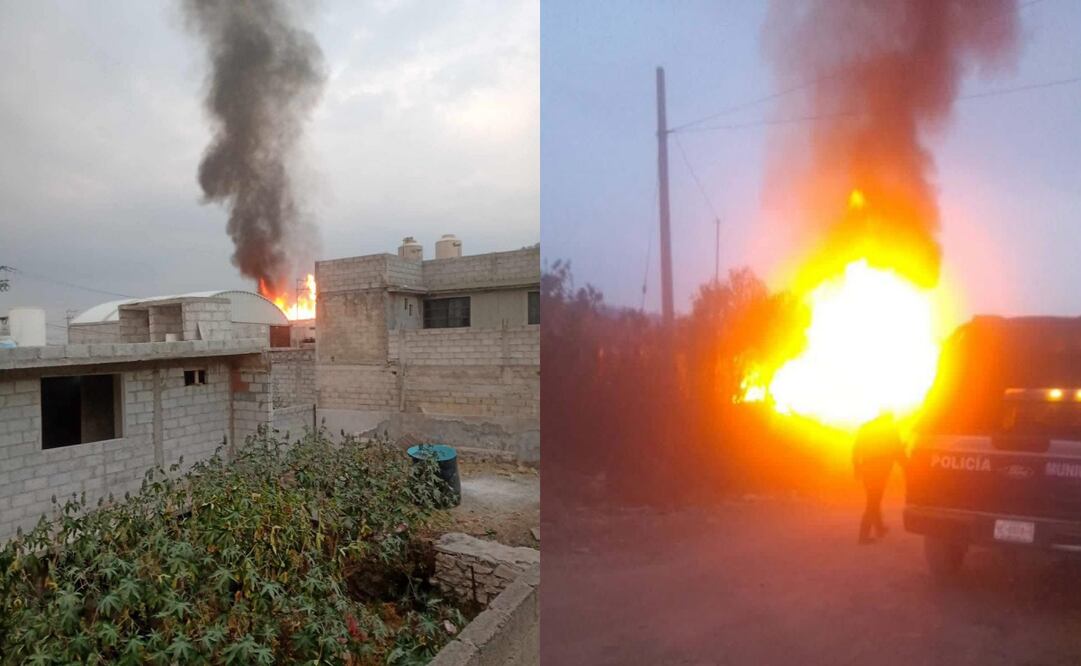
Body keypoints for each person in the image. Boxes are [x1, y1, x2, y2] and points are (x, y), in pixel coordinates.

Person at [852, 410, 906, 544]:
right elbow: (897, 449)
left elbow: (856, 448)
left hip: (866, 468)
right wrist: (907, 467)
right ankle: (863, 536)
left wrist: (856, 467)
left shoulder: (866, 427)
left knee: (874, 497)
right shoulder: (890, 429)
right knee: (873, 501)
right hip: (881, 470)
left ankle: (880, 528)